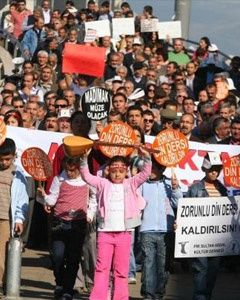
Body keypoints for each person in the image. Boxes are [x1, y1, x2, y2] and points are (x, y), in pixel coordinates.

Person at [80, 148, 152, 300]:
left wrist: (147, 158)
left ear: (126, 171)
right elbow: (86, 176)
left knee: (121, 270)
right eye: (114, 170)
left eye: (121, 170)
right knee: (102, 268)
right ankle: (99, 297)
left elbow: (145, 174)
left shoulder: (131, 183)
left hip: (124, 234)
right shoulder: (103, 183)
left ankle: (120, 297)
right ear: (108, 171)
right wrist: (83, 159)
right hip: (105, 232)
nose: (117, 173)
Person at [38, 156, 95, 300]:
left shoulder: (87, 179)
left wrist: (90, 213)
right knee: (57, 255)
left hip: (78, 223)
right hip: (59, 221)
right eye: (67, 170)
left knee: (73, 258)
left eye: (73, 170)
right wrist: (43, 195)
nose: (69, 173)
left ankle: (68, 289)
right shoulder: (59, 179)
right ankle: (60, 283)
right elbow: (52, 200)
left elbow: (94, 197)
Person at [186, 152, 228, 300]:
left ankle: (206, 296)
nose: (214, 172)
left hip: (216, 240)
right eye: (211, 169)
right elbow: (186, 213)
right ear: (205, 169)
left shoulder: (223, 190)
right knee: (201, 270)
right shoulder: (195, 189)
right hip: (199, 240)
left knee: (212, 271)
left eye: (217, 169)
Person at [140, 158, 182, 299]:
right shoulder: (142, 184)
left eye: (153, 168)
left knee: (163, 264)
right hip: (146, 229)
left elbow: (178, 203)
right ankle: (148, 294)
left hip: (166, 230)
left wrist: (176, 189)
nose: (149, 172)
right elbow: (135, 201)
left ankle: (159, 293)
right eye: (148, 168)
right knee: (148, 262)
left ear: (161, 169)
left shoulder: (170, 183)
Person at [0, 138, 28, 295]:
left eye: (7, 159)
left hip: (5, 218)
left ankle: (2, 283)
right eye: (1, 159)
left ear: (14, 156)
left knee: (2, 255)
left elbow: (22, 200)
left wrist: (19, 219)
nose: (4, 162)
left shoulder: (17, 175)